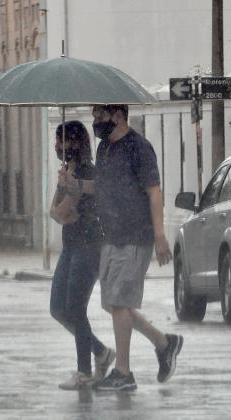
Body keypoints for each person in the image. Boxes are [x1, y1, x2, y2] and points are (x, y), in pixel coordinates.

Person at [90, 104, 183, 392]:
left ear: (117, 115)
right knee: (116, 304)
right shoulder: (103, 149)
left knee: (119, 302)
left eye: (100, 115)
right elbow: (100, 187)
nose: (95, 120)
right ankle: (164, 343)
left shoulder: (139, 147)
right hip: (109, 235)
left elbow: (154, 192)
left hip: (135, 236)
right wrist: (75, 185)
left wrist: (159, 235)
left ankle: (124, 372)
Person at [49, 120, 116, 390]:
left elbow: (64, 210)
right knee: (57, 308)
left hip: (89, 246)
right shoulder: (67, 171)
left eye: (62, 140)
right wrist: (64, 201)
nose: (57, 146)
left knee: (75, 308)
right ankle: (101, 351)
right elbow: (54, 212)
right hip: (71, 244)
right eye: (56, 140)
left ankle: (84, 371)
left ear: (76, 143)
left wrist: (69, 195)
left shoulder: (88, 172)